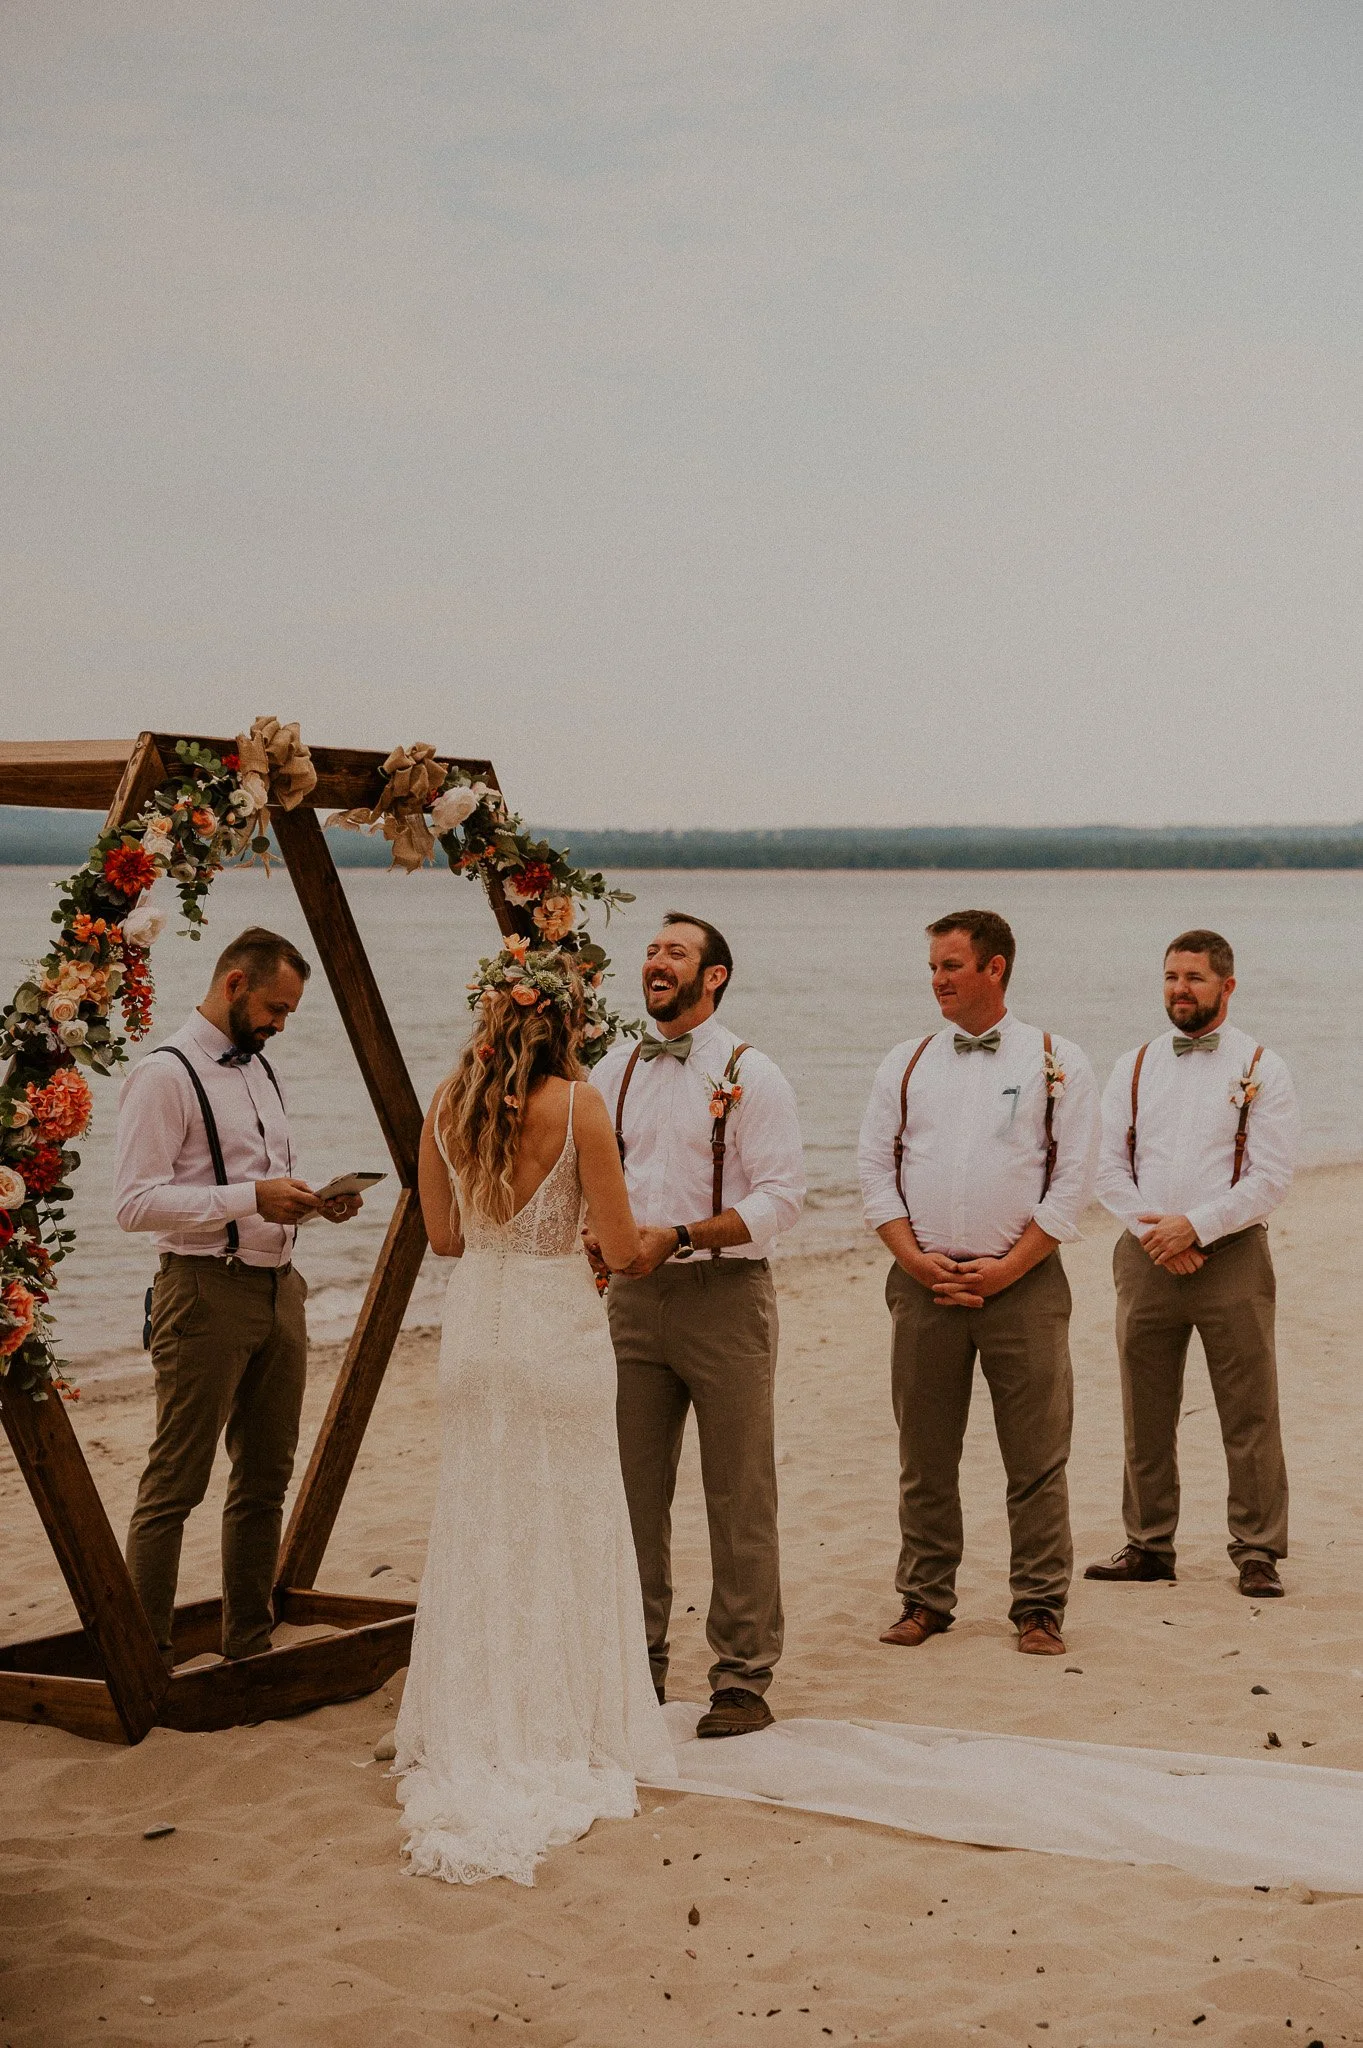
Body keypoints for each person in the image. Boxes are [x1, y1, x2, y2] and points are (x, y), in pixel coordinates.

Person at [393, 946, 675, 1886]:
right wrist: (632, 1240)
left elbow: (441, 1236)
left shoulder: (444, 1100)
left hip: (477, 1326)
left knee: (481, 1522)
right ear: (565, 1021)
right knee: (572, 1520)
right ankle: (567, 1724)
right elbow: (625, 1246)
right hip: (555, 1327)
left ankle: (480, 1719)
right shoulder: (582, 1103)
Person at [115, 927, 363, 1664]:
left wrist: (314, 1201)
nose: (281, 1025)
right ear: (234, 984)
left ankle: (247, 1645)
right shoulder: (163, 1074)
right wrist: (249, 1197)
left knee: (265, 1478)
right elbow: (133, 1205)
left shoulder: (259, 1068)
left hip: (280, 1290)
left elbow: (255, 1183)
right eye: (275, 1009)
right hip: (201, 1293)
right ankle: (145, 1659)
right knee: (176, 1483)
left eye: (288, 1013)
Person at [858, 910, 1100, 1657]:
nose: (936, 979)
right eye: (932, 965)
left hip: (1022, 1285)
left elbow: (1070, 1185)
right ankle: (925, 1599)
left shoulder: (1057, 1060)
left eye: (951, 966)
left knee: (1034, 1457)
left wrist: (1005, 1270)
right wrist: (912, 1257)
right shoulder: (905, 1061)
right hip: (922, 1284)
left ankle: (1037, 1606)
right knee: (924, 1455)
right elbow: (874, 1170)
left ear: (994, 969)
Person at [590, 914, 806, 1738]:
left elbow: (781, 1200)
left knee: (739, 1492)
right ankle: (634, 1667)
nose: (655, 962)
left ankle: (742, 1678)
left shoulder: (754, 1074)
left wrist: (680, 1236)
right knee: (629, 1496)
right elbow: (596, 1178)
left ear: (712, 976)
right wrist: (599, 1242)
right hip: (632, 1305)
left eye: (675, 952)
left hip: (726, 1300)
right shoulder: (612, 1069)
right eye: (650, 950)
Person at [1085, 929, 1299, 1598]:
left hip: (1231, 1254)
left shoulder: (1262, 1066)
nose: (1180, 989)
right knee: (1143, 1407)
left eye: (1194, 978)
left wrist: (1194, 1227)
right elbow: (1106, 1165)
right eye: (1171, 976)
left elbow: (1270, 1176)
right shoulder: (1136, 1064)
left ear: (1225, 987)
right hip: (1145, 1255)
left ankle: (1257, 1549)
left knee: (1248, 1409)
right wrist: (1155, 1232)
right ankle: (1148, 1546)